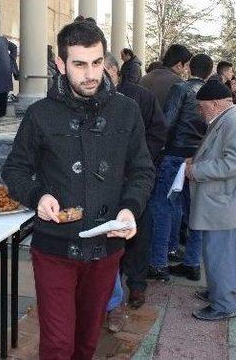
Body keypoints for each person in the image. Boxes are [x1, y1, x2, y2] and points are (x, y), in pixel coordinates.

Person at [1, 21, 155, 359]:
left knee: (87, 340)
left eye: (97, 63)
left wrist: (130, 208)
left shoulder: (126, 111)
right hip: (55, 249)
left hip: (107, 248)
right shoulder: (41, 115)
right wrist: (37, 196)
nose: (90, 74)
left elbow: (142, 170)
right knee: (58, 344)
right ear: (61, 64)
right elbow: (15, 170)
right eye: (79, 64)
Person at [187, 80, 236, 321]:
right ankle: (218, 292)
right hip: (226, 201)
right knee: (218, 253)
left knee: (221, 254)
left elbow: (234, 162)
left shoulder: (233, 121)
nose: (200, 111)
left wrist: (196, 170)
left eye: (202, 106)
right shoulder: (228, 118)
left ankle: (224, 304)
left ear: (216, 103)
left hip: (227, 204)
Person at [103, 52, 166, 329]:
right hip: (104, 185)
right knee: (108, 241)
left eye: (103, 71)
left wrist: (141, 160)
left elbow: (158, 132)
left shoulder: (140, 97)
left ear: (115, 71)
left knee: (138, 235)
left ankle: (137, 285)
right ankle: (111, 299)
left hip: (135, 181)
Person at [147, 54, 209, 282]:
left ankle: (158, 262)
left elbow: (167, 122)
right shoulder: (214, 94)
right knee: (195, 210)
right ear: (209, 72)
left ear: (189, 67)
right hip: (199, 157)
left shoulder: (181, 89)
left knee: (163, 206)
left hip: (175, 154)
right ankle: (192, 262)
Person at [140, 44, 191, 108]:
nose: (187, 69)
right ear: (179, 65)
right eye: (187, 65)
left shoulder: (145, 77)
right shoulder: (179, 84)